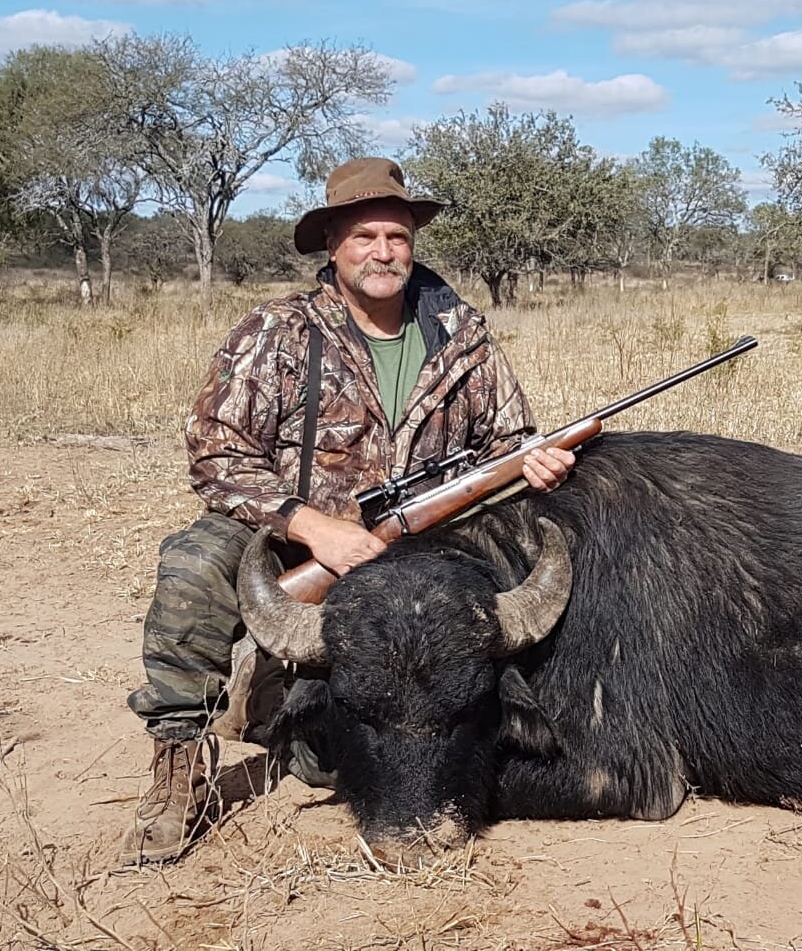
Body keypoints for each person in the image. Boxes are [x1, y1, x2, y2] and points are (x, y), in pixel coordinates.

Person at [119, 157, 574, 865]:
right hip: (291, 531)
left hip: (422, 547)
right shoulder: (276, 329)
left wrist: (535, 460)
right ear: (332, 244)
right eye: (365, 236)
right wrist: (309, 525)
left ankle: (273, 696)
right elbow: (215, 451)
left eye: (396, 235)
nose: (383, 252)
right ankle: (177, 767)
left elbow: (507, 441)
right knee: (195, 563)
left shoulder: (462, 332)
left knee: (333, 761)